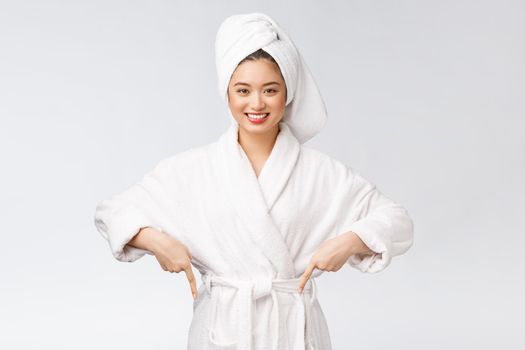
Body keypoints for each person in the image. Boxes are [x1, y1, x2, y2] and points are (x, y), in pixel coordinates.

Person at [94, 12, 414, 350]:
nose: (256, 103)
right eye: (243, 90)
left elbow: (398, 222)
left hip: (295, 333)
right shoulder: (194, 169)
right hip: (222, 331)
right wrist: (155, 240)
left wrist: (351, 240)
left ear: (287, 94)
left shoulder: (321, 173)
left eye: (270, 90)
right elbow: (111, 212)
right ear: (227, 93)